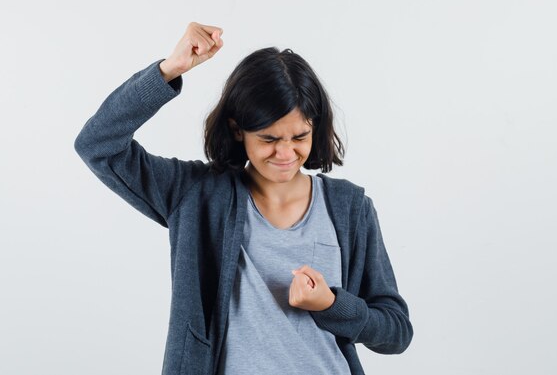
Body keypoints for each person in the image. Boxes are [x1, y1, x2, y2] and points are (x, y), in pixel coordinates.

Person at [74, 22, 413, 375]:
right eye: (269, 139)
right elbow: (98, 145)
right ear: (238, 129)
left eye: (299, 136)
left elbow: (396, 332)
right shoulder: (195, 194)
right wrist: (168, 70)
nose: (285, 152)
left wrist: (331, 304)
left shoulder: (350, 208)